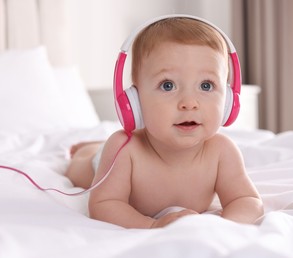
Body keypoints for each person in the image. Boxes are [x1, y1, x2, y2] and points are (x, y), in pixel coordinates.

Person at [65, 16, 263, 229]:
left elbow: (247, 200)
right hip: (101, 163)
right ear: (136, 99)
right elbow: (103, 204)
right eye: (168, 85)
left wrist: (226, 226)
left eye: (206, 85)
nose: (189, 103)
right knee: (78, 169)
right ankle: (90, 149)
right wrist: (152, 225)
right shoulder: (125, 150)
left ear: (228, 99)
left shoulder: (222, 151)